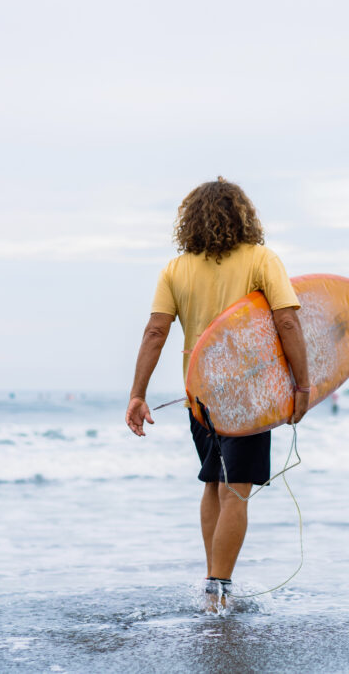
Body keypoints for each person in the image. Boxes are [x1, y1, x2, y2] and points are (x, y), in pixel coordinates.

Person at [124, 177, 311, 610]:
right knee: (235, 490)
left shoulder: (176, 269)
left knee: (214, 484)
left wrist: (138, 393)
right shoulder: (262, 260)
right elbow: (288, 323)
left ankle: (213, 583)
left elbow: (156, 331)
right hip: (248, 393)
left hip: (200, 395)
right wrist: (302, 384)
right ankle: (218, 589)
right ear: (244, 215)